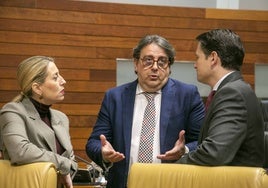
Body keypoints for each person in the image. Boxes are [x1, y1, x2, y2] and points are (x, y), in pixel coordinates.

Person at [85, 34, 205, 188]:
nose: (155, 67)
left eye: (162, 61)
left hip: (170, 183)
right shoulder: (115, 97)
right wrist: (104, 154)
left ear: (169, 67)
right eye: (148, 60)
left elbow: (202, 142)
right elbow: (94, 143)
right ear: (136, 64)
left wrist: (185, 150)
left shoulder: (187, 95)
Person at [175, 29, 264, 166]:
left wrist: (170, 170)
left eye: (197, 57)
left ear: (213, 58)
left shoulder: (232, 93)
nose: (195, 64)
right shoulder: (234, 89)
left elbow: (214, 152)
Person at [0, 56, 78, 188]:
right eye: (55, 77)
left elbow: (71, 163)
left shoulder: (61, 118)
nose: (63, 81)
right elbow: (21, 151)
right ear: (37, 88)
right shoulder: (13, 111)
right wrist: (63, 163)